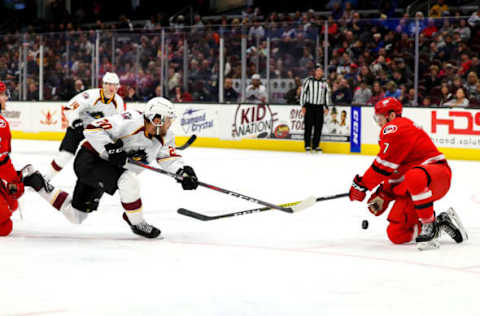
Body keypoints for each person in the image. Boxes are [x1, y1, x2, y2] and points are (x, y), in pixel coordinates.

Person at [22, 97, 198, 239]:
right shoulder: (130, 120)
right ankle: (136, 222)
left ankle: (37, 182)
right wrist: (110, 147)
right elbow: (91, 129)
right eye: (167, 120)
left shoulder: (166, 136)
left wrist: (182, 171)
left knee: (76, 215)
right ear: (156, 119)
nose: (170, 124)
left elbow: (168, 157)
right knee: (128, 180)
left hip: (109, 168)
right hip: (90, 160)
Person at [348, 97, 468, 250]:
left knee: (414, 176)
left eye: (380, 118)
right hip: (416, 185)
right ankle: (439, 224)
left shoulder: (397, 127)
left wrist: (361, 185)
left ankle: (428, 225)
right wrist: (383, 195)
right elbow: (394, 173)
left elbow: (382, 166)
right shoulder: (395, 137)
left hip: (437, 176)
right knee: (396, 234)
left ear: (391, 116)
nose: (378, 123)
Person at [46, 72, 125, 179]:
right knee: (66, 155)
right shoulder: (90, 95)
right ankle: (46, 178)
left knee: (101, 158)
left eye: (115, 85)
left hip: (97, 132)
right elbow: (69, 109)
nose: (112, 88)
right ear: (103, 85)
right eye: (109, 84)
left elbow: (117, 123)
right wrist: (76, 122)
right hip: (78, 128)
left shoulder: (119, 102)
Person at [0, 81, 25, 236]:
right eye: (2, 95)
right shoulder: (1, 125)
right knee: (5, 225)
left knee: (12, 203)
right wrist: (16, 180)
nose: (6, 98)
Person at [300, 64, 331, 152]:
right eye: (318, 71)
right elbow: (303, 93)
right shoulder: (308, 81)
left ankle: (315, 145)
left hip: (319, 107)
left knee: (318, 127)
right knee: (308, 126)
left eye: (321, 71)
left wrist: (326, 106)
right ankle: (307, 145)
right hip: (309, 106)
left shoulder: (324, 83)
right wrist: (303, 106)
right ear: (315, 72)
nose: (319, 72)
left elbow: (326, 95)